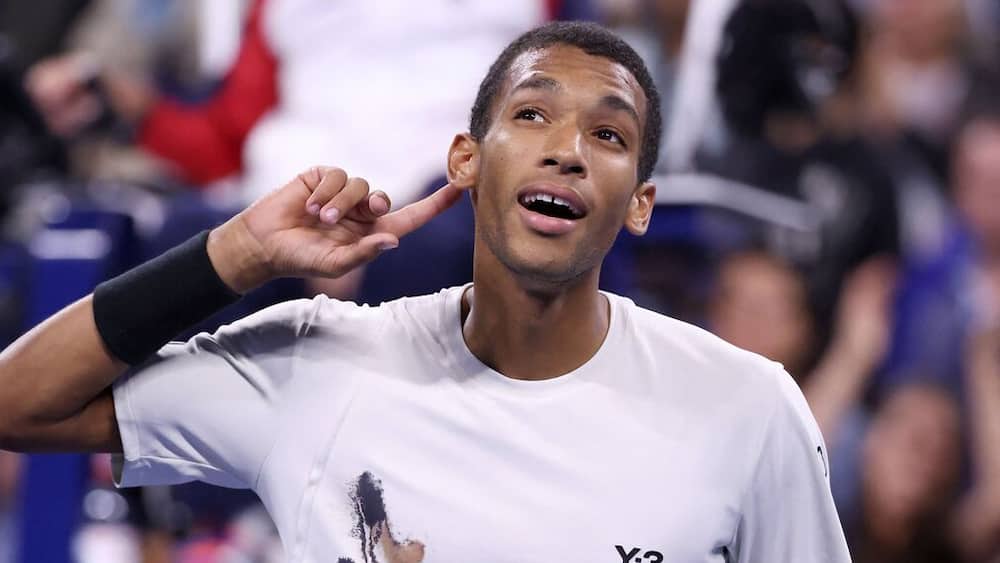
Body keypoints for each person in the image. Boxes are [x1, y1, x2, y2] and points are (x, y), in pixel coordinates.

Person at [0, 22, 849, 561]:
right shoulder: (317, 366)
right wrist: (235, 254)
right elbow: (18, 402)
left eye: (608, 133)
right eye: (532, 114)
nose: (566, 150)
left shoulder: (749, 409)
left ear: (640, 203)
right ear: (465, 161)